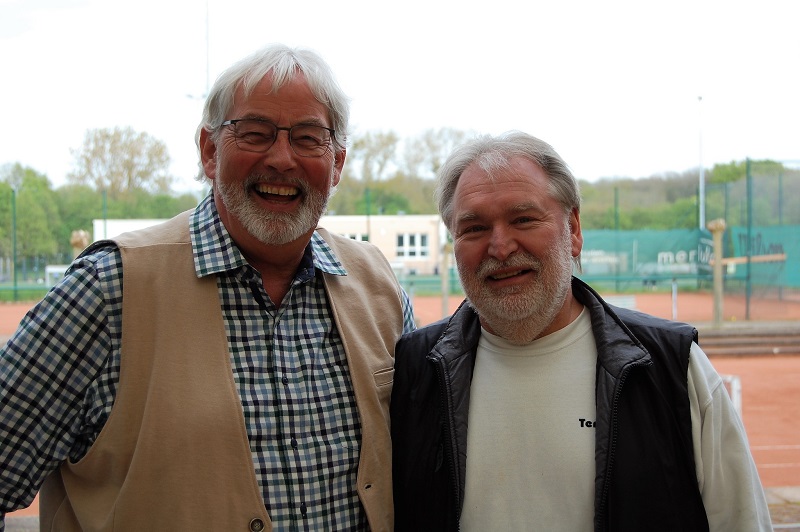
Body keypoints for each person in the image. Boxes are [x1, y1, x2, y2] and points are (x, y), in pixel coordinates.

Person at [0, 44, 415, 531]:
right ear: (210, 151)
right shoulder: (107, 291)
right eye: (255, 134)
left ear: (338, 162)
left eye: (308, 138)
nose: (282, 159)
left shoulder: (378, 286)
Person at [390, 131, 771, 531]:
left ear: (572, 229)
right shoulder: (413, 372)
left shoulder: (672, 367)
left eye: (523, 219)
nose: (500, 247)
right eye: (474, 228)